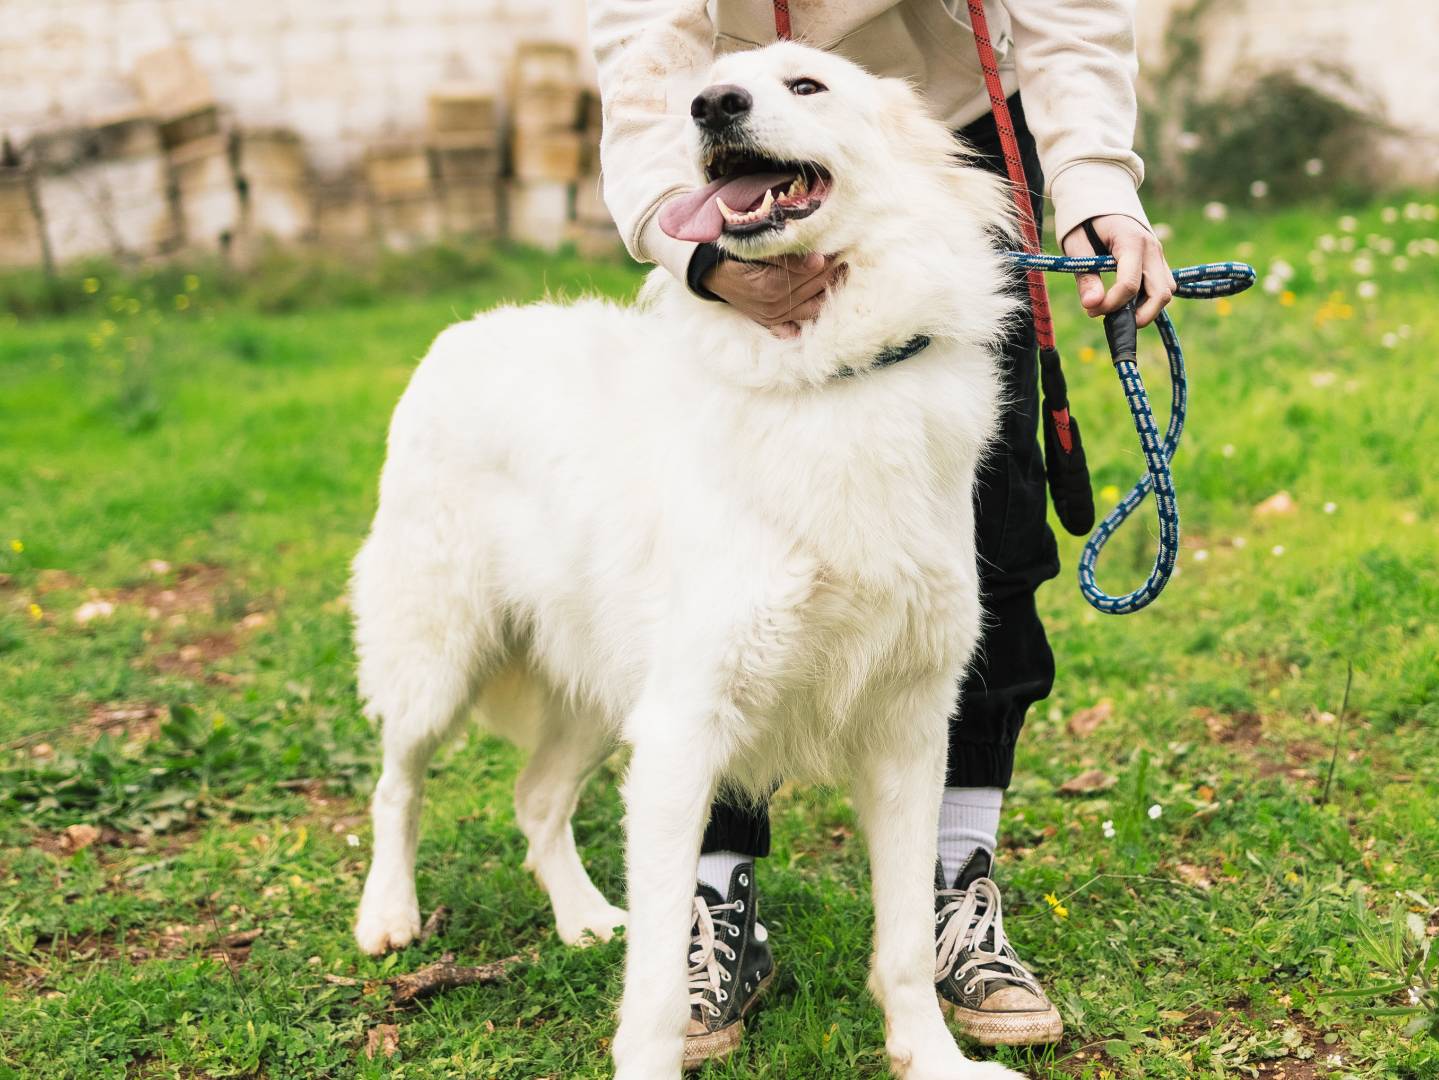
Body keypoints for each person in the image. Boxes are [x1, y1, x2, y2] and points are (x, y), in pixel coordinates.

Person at [588, 0, 1176, 1064]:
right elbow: (644, 55)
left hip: (934, 133)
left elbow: (1069, 18)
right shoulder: (718, 114)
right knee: (707, 607)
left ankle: (952, 887)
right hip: (723, 185)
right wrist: (688, 252)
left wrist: (1092, 186)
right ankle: (707, 905)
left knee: (989, 555)